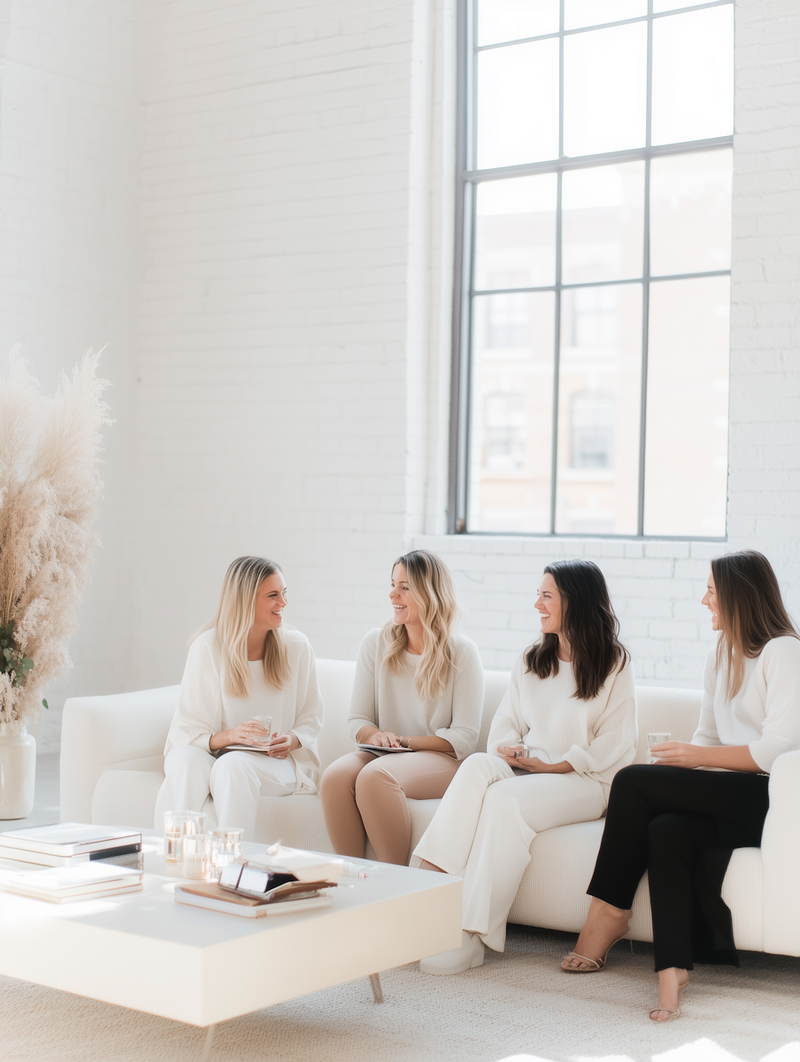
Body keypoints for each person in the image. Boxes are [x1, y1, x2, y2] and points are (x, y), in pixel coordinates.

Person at [561, 550, 800, 1023]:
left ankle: (609, 912)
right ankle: (672, 972)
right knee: (666, 828)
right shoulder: (719, 656)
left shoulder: (783, 651)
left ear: (738, 595)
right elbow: (706, 737)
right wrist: (681, 765)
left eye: (711, 590)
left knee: (631, 781)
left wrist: (694, 760)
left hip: (771, 801)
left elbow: (778, 751)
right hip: (728, 796)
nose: (704, 599)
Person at [415, 558, 637, 975]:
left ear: (574, 601)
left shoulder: (615, 663)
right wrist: (511, 750)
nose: (537, 604)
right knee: (477, 765)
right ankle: (429, 884)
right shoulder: (533, 659)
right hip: (529, 769)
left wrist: (556, 766)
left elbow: (618, 741)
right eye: (538, 594)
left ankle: (471, 934)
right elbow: (505, 722)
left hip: (586, 779)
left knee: (504, 802)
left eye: (546, 595)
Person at [319, 549, 483, 866]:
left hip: (442, 760)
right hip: (384, 753)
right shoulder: (375, 643)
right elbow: (358, 719)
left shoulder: (462, 652)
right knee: (334, 778)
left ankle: (393, 880)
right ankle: (354, 877)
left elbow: (464, 739)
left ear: (429, 593)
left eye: (404, 587)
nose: (393, 594)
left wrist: (403, 742)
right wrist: (375, 735)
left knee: (374, 778)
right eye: (393, 585)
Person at [154, 556, 323, 841]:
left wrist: (293, 739)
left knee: (232, 766)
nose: (283, 602)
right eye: (273, 595)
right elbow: (187, 732)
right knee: (184, 762)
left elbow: (311, 717)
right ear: (245, 601)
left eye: (284, 593)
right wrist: (232, 736)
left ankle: (234, 862)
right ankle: (170, 855)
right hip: (216, 753)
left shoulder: (297, 647)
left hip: (276, 763)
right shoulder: (207, 647)